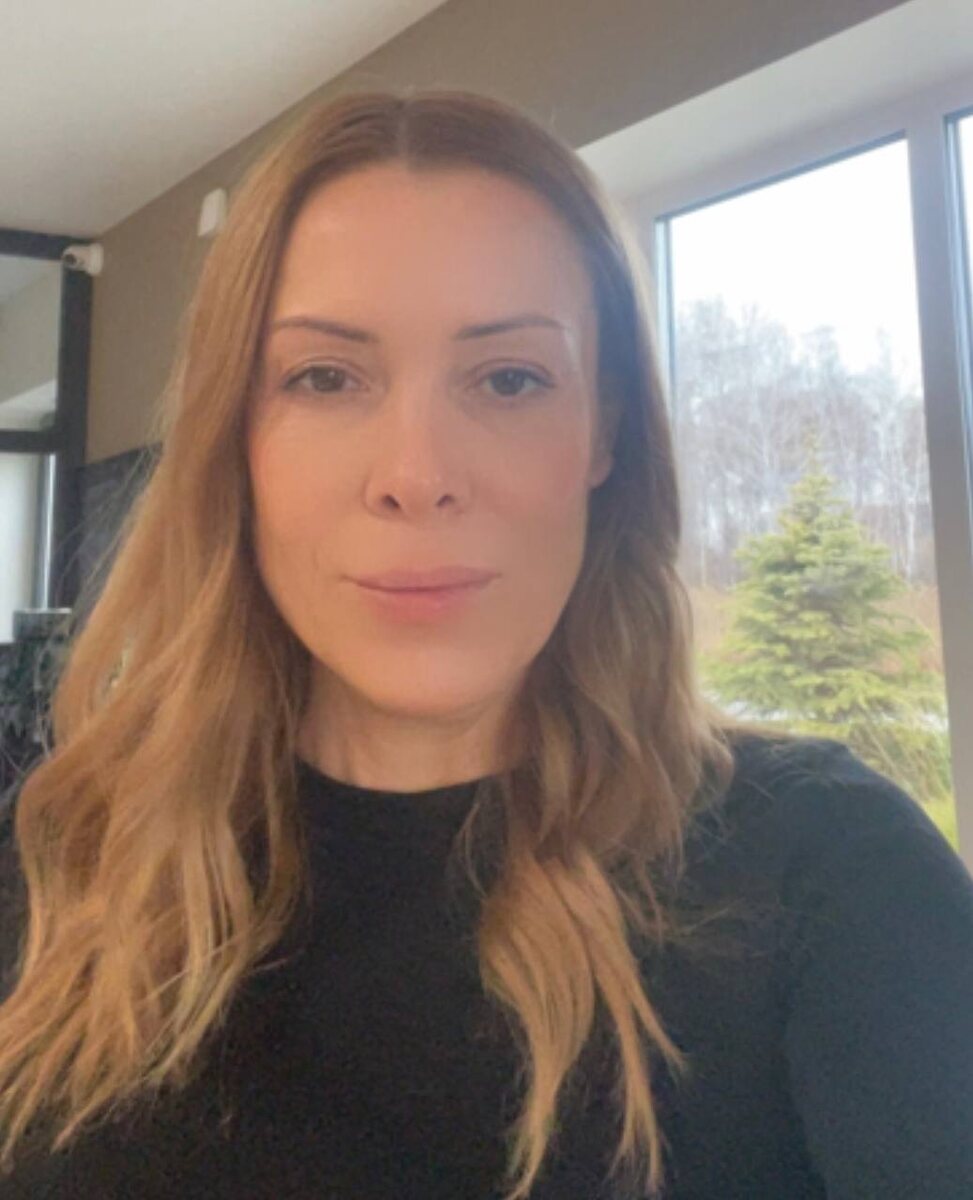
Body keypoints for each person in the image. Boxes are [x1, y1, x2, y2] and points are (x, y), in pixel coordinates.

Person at [0, 88, 970, 1200]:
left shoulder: (831, 872)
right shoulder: (59, 866)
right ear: (236, 439)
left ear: (604, 432)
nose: (416, 475)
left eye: (509, 379)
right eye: (324, 377)